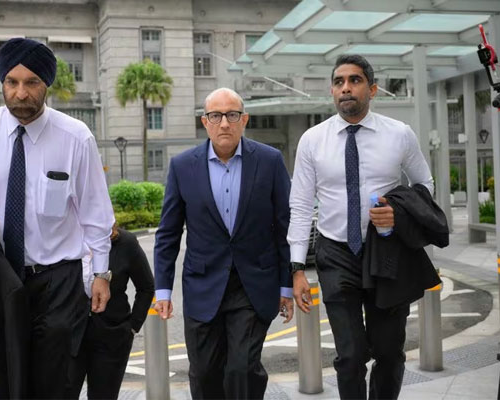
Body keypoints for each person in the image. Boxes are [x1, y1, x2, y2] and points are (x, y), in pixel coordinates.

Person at [0, 38, 115, 399]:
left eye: (31, 82)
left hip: (58, 280)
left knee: (54, 378)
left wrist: (101, 274)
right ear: (2, 82)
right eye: (11, 82)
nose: (20, 93)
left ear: (47, 84)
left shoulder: (75, 137)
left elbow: (96, 213)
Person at [288, 54, 435, 399]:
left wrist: (399, 215)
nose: (346, 88)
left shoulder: (400, 135)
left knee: (388, 351)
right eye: (339, 82)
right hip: (336, 253)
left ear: (373, 89)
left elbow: (425, 185)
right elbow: (299, 204)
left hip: (387, 252)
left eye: (354, 81)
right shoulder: (312, 140)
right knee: (350, 355)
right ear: (332, 91)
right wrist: (296, 268)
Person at [154, 87, 293, 399]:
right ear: (205, 122)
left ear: (244, 119)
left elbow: (285, 227)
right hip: (203, 285)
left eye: (232, 115)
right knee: (204, 373)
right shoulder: (182, 166)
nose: (224, 123)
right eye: (216, 116)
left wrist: (286, 285)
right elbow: (167, 234)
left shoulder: (269, 161)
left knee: (242, 369)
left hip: (253, 285)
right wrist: (162, 289)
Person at [69, 223, 155, 399]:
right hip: (68, 335)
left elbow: (146, 287)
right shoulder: (65, 240)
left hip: (111, 337)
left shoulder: (125, 243)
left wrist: (132, 327)